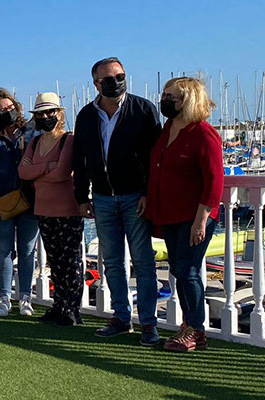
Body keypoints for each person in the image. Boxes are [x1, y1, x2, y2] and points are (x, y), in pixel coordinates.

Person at [72, 57, 162, 345]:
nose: (116, 83)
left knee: (144, 262)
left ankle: (148, 322)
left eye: (120, 76)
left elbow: (154, 158)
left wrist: (149, 193)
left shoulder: (143, 110)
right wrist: (81, 196)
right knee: (111, 262)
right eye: (109, 79)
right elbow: (80, 158)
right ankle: (122, 317)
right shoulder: (87, 115)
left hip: (136, 196)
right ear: (96, 83)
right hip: (102, 198)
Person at [146, 77, 223, 352]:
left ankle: (195, 329)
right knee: (179, 269)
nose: (164, 100)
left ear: (187, 101)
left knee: (188, 270)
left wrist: (201, 220)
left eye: (171, 97)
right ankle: (190, 325)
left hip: (195, 216)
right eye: (164, 95)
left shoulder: (204, 134)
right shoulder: (168, 129)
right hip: (169, 214)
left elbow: (215, 181)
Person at [18, 93, 83, 326]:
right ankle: (59, 306)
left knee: (70, 263)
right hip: (43, 209)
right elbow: (22, 172)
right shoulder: (34, 142)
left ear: (59, 114)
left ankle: (72, 310)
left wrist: (37, 171)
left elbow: (62, 172)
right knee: (54, 263)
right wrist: (46, 168)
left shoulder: (69, 140)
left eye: (50, 112)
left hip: (68, 210)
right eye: (41, 114)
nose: (45, 117)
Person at [0, 88, 39, 317]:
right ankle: (4, 298)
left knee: (27, 250)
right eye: (2, 110)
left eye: (11, 108)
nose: (8, 112)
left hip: (29, 200)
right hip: (1, 200)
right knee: (3, 250)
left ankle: (25, 298)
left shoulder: (30, 131)